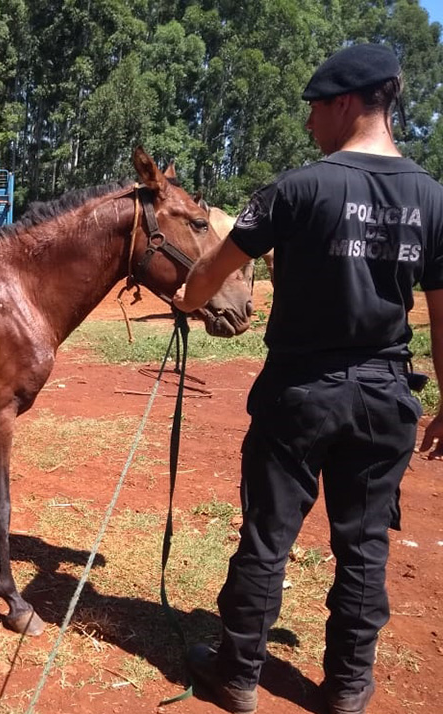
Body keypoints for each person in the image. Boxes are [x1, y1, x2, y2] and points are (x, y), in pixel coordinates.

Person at [171, 43, 443, 714]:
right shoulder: (432, 199)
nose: (309, 123)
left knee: (269, 533)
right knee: (363, 545)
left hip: (301, 393)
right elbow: (442, 311)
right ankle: (349, 688)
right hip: (386, 396)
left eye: (315, 108)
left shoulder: (297, 189)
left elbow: (212, 272)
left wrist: (185, 297)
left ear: (347, 104)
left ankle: (238, 674)